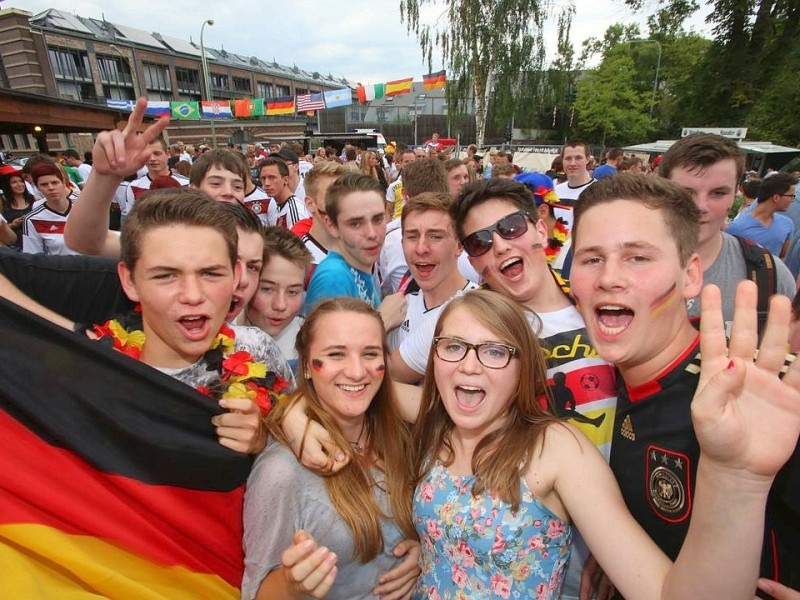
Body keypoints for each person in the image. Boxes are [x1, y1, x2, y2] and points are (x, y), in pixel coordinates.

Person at [408, 288, 800, 598]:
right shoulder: (436, 431)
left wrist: (735, 476)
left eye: (495, 351)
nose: (469, 364)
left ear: (522, 369)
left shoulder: (555, 448)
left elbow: (663, 592)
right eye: (453, 345)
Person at [569, 173, 799, 590]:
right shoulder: (596, 388)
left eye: (638, 257)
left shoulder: (761, 393)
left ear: (690, 275)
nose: (609, 277)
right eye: (591, 259)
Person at [242, 297, 420, 599]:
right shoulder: (281, 471)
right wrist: (292, 584)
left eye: (370, 354)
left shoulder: (399, 436)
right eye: (336, 354)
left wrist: (423, 548)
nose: (356, 371)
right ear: (308, 366)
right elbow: (256, 593)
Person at [660, 133, 795, 334]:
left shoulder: (770, 274)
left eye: (718, 193)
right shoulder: (617, 267)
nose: (700, 206)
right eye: (686, 193)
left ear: (735, 195)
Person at [239, 227, 312, 373]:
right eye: (267, 289)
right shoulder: (217, 333)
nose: (280, 305)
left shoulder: (310, 344)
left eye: (292, 292)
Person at [726, 171, 796, 258]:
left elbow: (782, 255)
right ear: (776, 198)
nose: (792, 200)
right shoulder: (737, 227)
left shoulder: (787, 224)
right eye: (791, 196)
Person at [22, 162, 80, 256]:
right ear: (38, 188)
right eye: (44, 184)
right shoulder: (33, 219)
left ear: (63, 183)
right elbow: (33, 257)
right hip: (60, 269)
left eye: (55, 182)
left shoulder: (84, 207)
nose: (51, 188)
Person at [0, 169, 35, 250]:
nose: (19, 184)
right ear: (7, 185)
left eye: (21, 181)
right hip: (12, 247)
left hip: (33, 244)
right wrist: (13, 225)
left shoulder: (34, 200)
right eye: (14, 182)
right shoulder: (2, 202)